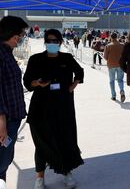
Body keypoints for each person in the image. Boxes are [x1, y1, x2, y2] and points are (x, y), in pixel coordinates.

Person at [23, 29, 84, 189]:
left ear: (60, 42)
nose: (52, 43)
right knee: (42, 142)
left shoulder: (67, 58)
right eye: (49, 40)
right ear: (44, 41)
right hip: (40, 106)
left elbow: (80, 71)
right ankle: (39, 177)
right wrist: (37, 83)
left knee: (65, 139)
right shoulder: (35, 59)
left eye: (55, 41)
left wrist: (73, 85)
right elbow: (27, 80)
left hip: (63, 106)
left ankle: (67, 172)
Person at [0, 16, 28, 189]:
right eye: (21, 34)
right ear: (13, 34)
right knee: (2, 161)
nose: (23, 37)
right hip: (6, 120)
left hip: (12, 118)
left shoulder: (7, 53)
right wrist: (1, 121)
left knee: (5, 160)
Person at [104, 32, 125, 102]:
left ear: (111, 37)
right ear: (117, 37)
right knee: (120, 80)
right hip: (120, 65)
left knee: (111, 81)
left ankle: (113, 96)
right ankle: (122, 91)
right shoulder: (122, 45)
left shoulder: (108, 46)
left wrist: (110, 59)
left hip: (111, 65)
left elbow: (105, 57)